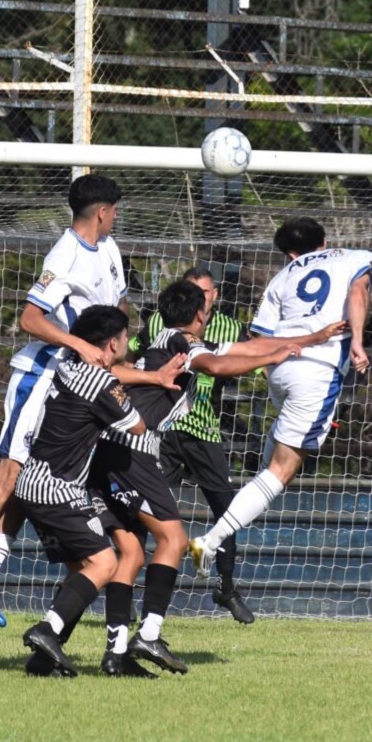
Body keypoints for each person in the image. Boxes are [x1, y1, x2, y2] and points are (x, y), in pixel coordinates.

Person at [0, 174, 183, 628]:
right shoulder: (66, 254)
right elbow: (31, 319)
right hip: (41, 375)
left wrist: (150, 373)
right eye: (115, 210)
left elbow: (109, 336)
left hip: (76, 381)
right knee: (11, 471)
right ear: (102, 212)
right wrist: (78, 343)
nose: (117, 217)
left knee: (22, 480)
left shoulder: (110, 252)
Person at [94, 280, 345, 676]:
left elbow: (245, 348)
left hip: (116, 446)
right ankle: (149, 632)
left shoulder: (167, 336)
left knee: (129, 554)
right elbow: (218, 364)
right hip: (135, 451)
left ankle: (106, 648)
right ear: (201, 316)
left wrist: (312, 338)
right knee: (173, 540)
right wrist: (275, 359)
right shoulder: (183, 342)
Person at [189, 216, 372, 578]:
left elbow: (259, 338)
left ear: (290, 254)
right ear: (325, 238)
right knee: (281, 472)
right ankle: (209, 542)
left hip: (280, 366)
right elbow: (358, 293)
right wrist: (358, 341)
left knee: (269, 468)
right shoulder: (355, 256)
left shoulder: (282, 276)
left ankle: (227, 529)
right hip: (317, 370)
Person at [14, 305, 145, 677]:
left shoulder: (68, 364)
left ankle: (43, 659)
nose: (127, 343)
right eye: (124, 337)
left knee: (81, 573)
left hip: (32, 481)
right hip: (57, 487)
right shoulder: (101, 383)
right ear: (110, 343)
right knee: (106, 564)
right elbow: (135, 426)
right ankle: (46, 630)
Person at [134, 267, 258, 623]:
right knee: (147, 509)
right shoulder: (161, 325)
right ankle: (130, 585)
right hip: (167, 431)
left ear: (214, 296)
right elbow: (134, 353)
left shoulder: (230, 328)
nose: (199, 299)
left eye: (205, 292)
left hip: (205, 430)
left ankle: (226, 587)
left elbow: (248, 362)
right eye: (193, 291)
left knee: (228, 511)